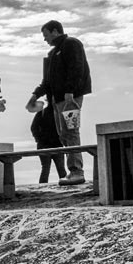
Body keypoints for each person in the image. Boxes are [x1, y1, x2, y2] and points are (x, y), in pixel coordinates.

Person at [28, 20, 92, 185]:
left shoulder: (71, 43)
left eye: (46, 35)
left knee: (71, 131)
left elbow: (77, 68)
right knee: (63, 135)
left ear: (55, 31)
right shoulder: (52, 53)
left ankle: (77, 171)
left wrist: (70, 90)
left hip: (70, 98)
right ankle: (73, 170)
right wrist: (35, 94)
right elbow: (47, 81)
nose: (45, 39)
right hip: (57, 100)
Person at [29, 96, 67, 184]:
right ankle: (64, 185)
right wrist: (39, 139)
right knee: (49, 169)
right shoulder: (42, 113)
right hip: (48, 145)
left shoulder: (58, 113)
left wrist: (39, 139)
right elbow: (33, 128)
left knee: (56, 169)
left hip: (54, 145)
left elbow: (33, 128)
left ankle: (45, 187)